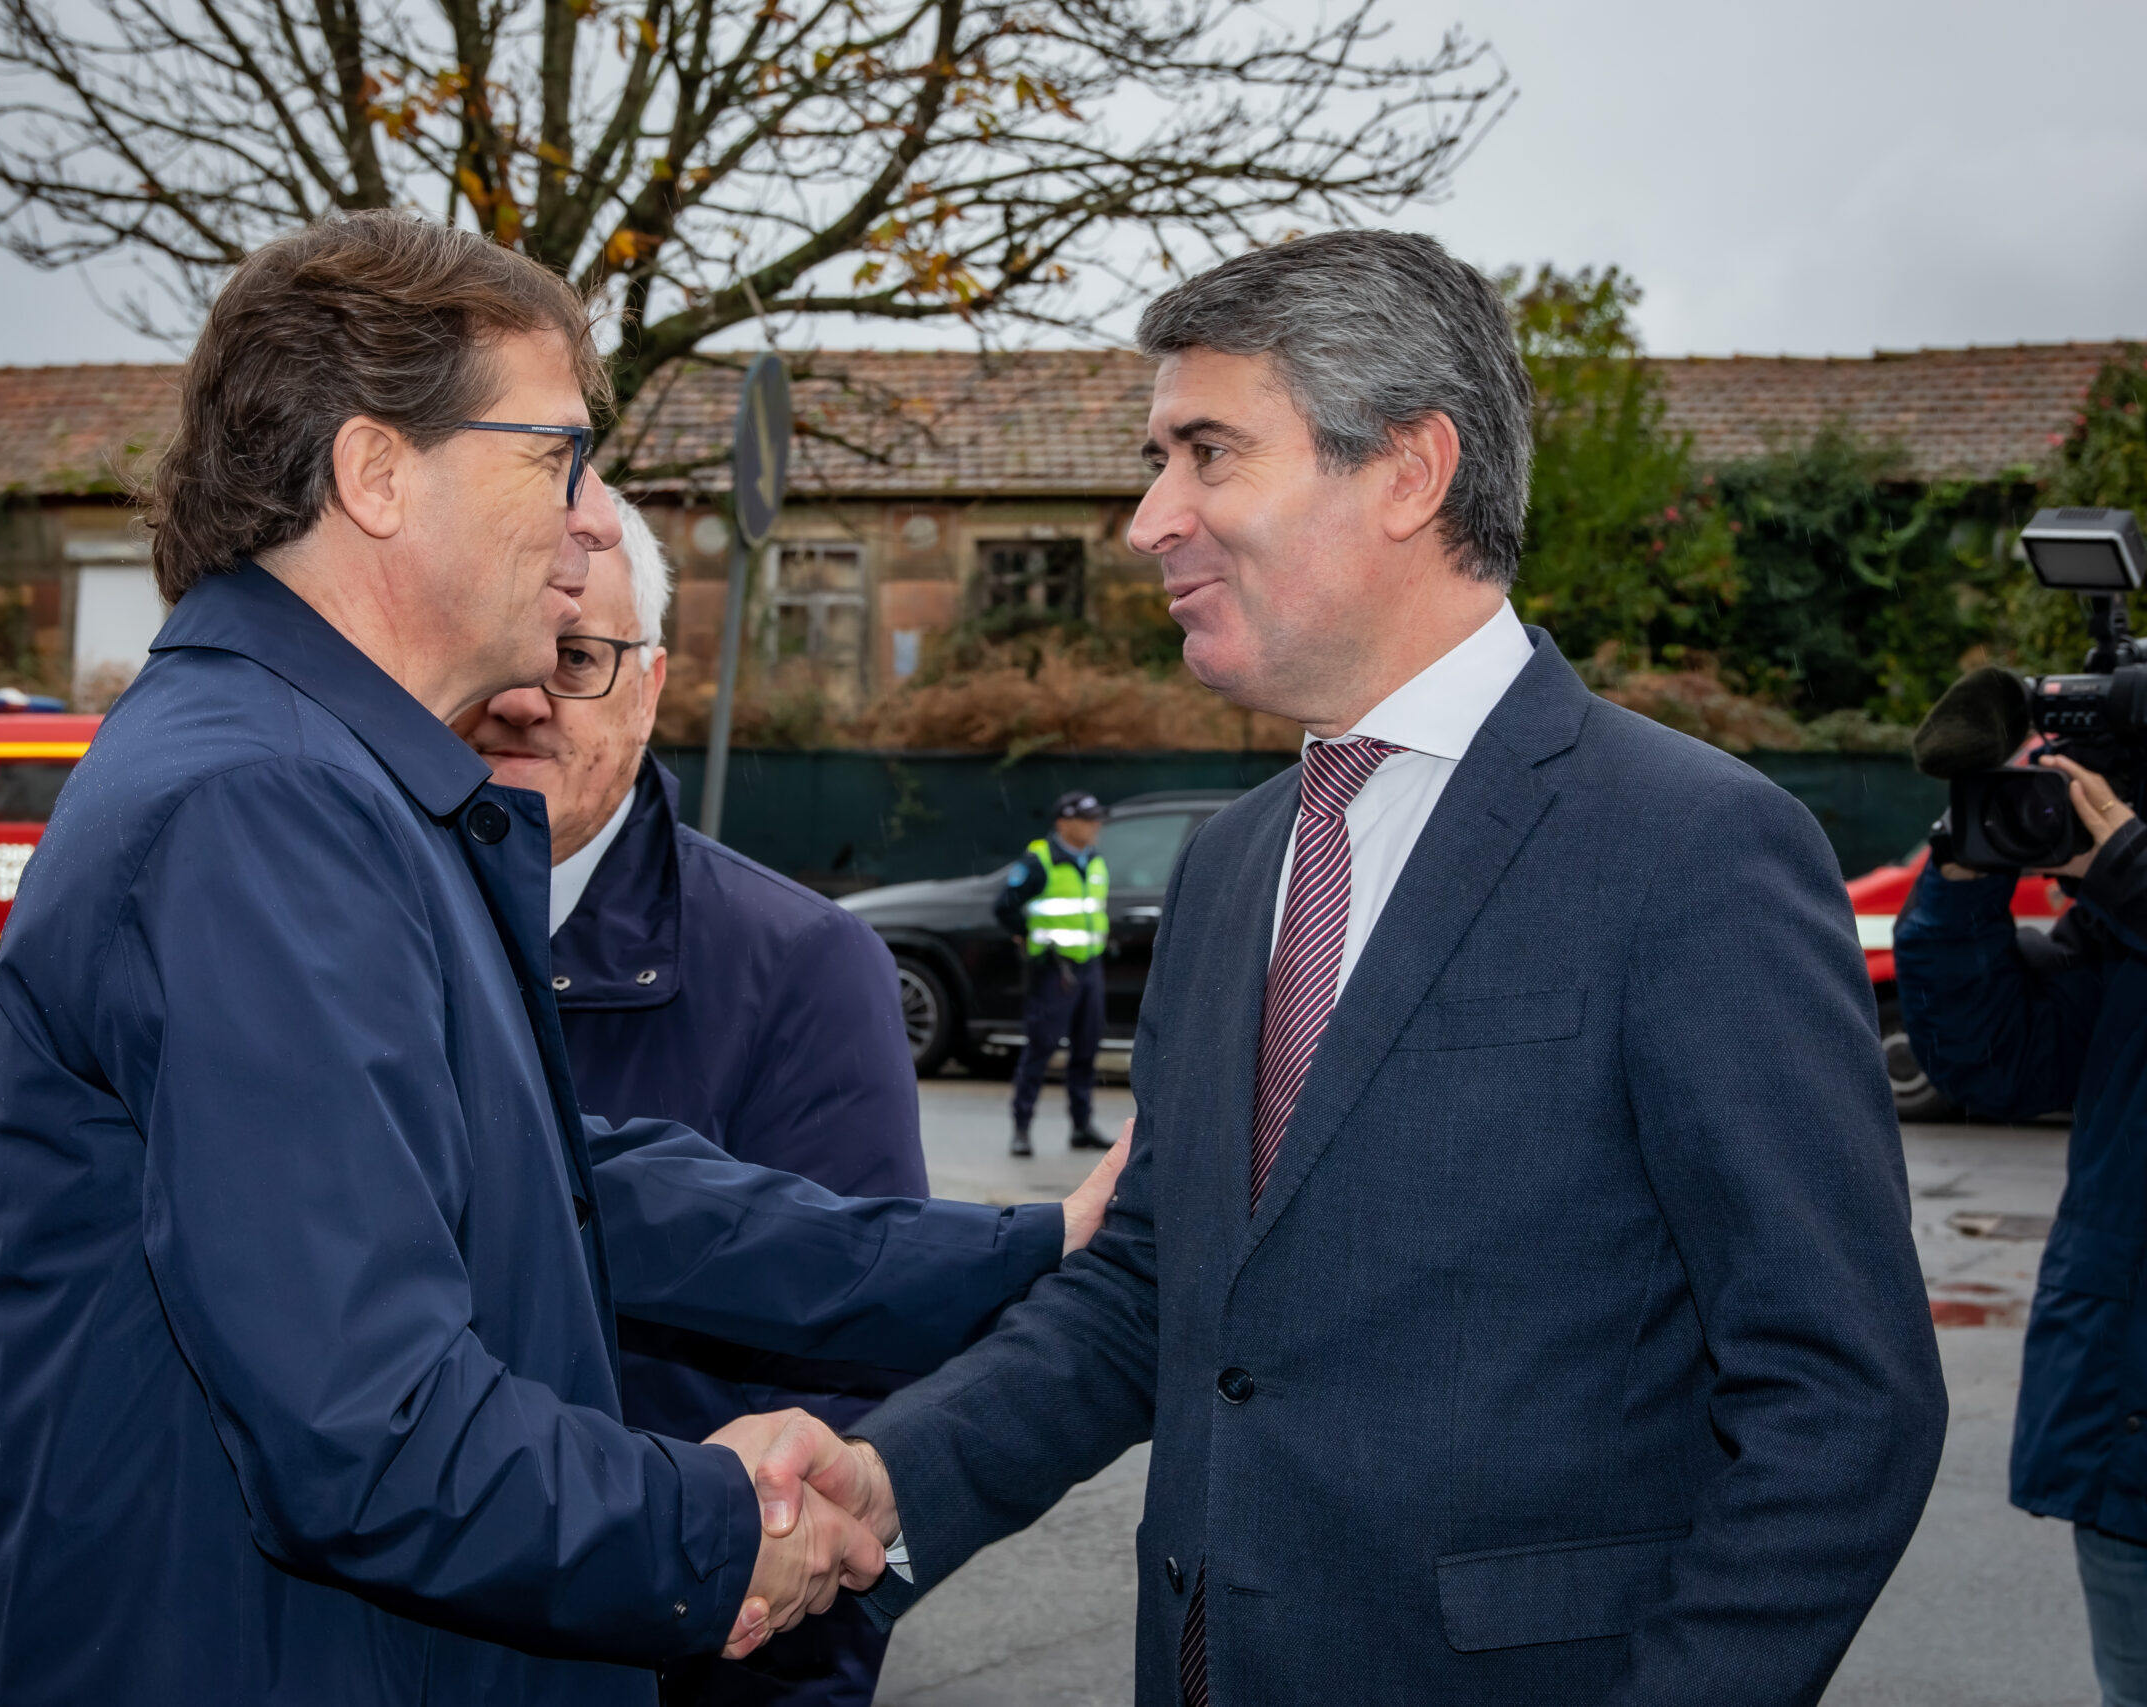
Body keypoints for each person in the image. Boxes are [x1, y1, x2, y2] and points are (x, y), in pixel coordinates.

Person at [741, 230, 1949, 1705]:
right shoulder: (1233, 862)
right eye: (1155, 460)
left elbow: (1842, 1401)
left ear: (1408, 470)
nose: (1149, 519)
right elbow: (1154, 1285)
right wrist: (890, 1477)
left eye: (1206, 453)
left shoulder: (1694, 848)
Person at [0, 212, 1123, 1707]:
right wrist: (720, 1528)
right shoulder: (266, 803)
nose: (589, 525)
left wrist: (1027, 1249)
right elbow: (369, 1428)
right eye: (556, 456)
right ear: (376, 473)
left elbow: (564, 1184)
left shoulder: (333, 780)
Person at [458, 496, 1048, 1707]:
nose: (522, 698)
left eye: (574, 658)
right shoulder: (344, 929)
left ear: (649, 686)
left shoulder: (800, 965)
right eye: (491, 650)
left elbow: (843, 1423)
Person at [1894, 750, 2147, 1707]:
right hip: (2131, 1442)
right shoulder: (2123, 915)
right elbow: (2000, 1058)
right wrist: (1968, 865)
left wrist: (2133, 876)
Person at [994, 791, 1116, 1156]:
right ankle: (1021, 1127)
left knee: (1086, 1049)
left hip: (1089, 967)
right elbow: (1005, 907)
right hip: (1054, 969)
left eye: (1097, 819)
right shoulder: (1040, 860)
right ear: (1063, 823)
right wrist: (1030, 938)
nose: (1095, 827)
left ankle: (1081, 1126)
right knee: (1041, 1048)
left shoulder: (1094, 859)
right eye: (1087, 820)